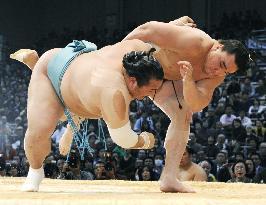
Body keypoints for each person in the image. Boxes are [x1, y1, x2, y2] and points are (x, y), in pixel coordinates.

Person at [10, 39, 164, 192]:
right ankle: (35, 171)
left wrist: (177, 26)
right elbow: (124, 138)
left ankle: (36, 67)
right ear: (133, 82)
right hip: (52, 71)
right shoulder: (113, 93)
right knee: (41, 130)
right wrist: (145, 141)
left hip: (80, 75)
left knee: (83, 103)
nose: (153, 94)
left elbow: (154, 33)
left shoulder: (138, 50)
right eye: (151, 89)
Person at [123, 15, 249, 192]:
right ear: (218, 46)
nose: (217, 71)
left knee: (183, 115)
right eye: (220, 63)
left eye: (225, 71)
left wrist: (189, 80)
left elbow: (197, 105)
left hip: (164, 81)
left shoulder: (216, 75)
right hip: (145, 62)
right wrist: (116, 53)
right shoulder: (195, 41)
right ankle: (172, 25)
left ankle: (169, 177)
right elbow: (147, 29)